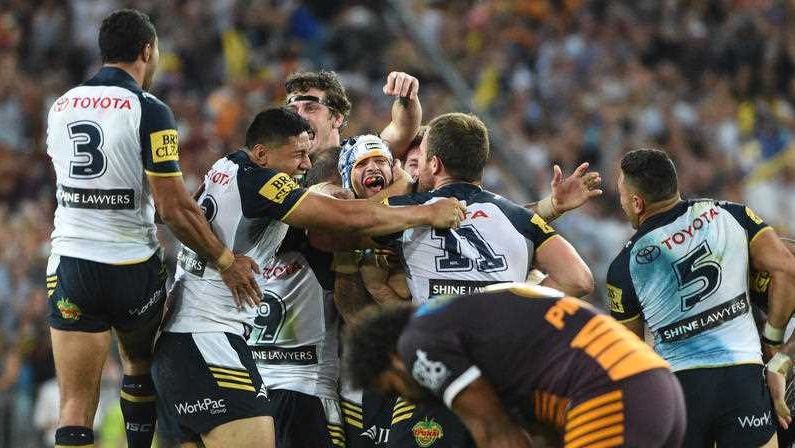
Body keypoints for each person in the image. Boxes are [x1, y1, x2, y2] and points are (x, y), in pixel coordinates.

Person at [152, 107, 464, 448]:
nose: (304, 164)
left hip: (185, 341)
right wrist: (425, 212)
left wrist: (223, 257)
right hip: (208, 341)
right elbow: (346, 218)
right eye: (298, 155)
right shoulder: (262, 182)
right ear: (262, 154)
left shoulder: (226, 167)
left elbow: (189, 217)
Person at [44, 9, 260, 448]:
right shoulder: (149, 109)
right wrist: (223, 260)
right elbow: (174, 207)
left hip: (73, 263)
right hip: (131, 265)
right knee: (138, 369)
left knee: (73, 407)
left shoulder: (61, 105)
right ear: (148, 50)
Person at [344, 283, 685, 448]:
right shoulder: (467, 322)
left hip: (606, 394)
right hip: (653, 383)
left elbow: (496, 434)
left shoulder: (415, 341)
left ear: (392, 360)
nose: (408, 400)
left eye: (393, 389)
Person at [607, 148, 795, 447]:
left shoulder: (622, 267)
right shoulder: (732, 215)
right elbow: (786, 268)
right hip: (742, 376)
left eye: (621, 194)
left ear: (637, 202)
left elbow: (631, 358)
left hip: (680, 391)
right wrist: (772, 343)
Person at [377, 112, 594, 303]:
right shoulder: (515, 217)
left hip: (437, 339)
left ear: (435, 164)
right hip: (501, 339)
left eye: (421, 159)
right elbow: (578, 280)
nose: (415, 171)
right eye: (411, 164)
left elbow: (348, 226)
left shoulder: (399, 212)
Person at [284, 70, 421, 157]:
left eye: (311, 108)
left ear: (337, 118)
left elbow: (402, 129)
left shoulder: (362, 157)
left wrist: (407, 94)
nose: (299, 117)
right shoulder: (277, 170)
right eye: (293, 110)